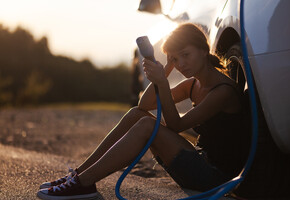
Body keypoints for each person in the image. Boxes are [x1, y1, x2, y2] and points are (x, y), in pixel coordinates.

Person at [37, 23, 250, 199]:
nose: (181, 64)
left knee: (148, 125)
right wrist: (164, 69)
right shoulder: (193, 84)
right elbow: (144, 105)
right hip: (198, 163)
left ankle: (83, 183)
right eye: (175, 59)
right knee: (135, 115)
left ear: (204, 50)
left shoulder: (223, 91)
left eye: (186, 55)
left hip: (215, 178)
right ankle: (79, 175)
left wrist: (163, 84)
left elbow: (176, 126)